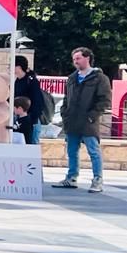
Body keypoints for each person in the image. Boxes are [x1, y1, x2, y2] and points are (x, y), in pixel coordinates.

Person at [54, 46, 111, 192]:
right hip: (72, 121)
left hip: (88, 122)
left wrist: (92, 116)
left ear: (87, 58)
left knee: (93, 151)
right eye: (74, 59)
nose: (75, 61)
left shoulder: (99, 78)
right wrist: (64, 113)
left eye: (78, 58)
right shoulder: (72, 78)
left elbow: (105, 100)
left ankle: (97, 180)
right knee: (72, 151)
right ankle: (71, 177)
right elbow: (67, 98)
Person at [12, 56, 44, 147]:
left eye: (12, 65)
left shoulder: (31, 81)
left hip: (32, 119)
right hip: (21, 118)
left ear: (19, 67)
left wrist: (32, 119)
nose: (9, 67)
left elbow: (37, 101)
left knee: (32, 145)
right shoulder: (17, 81)